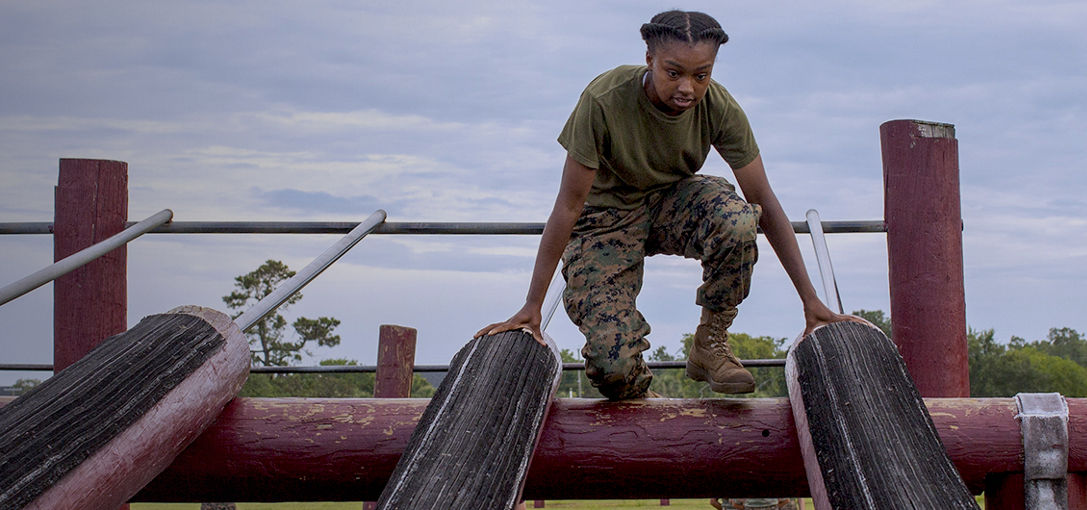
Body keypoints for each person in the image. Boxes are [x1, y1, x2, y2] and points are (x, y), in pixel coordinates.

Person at [477, 10, 853, 400]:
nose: (687, 87)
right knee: (612, 368)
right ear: (649, 60)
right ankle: (638, 393)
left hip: (672, 204)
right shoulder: (603, 101)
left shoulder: (719, 107)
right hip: (606, 219)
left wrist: (812, 302)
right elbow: (568, 207)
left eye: (701, 75)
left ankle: (711, 343)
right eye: (674, 73)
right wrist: (532, 305)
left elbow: (765, 202)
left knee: (739, 220)